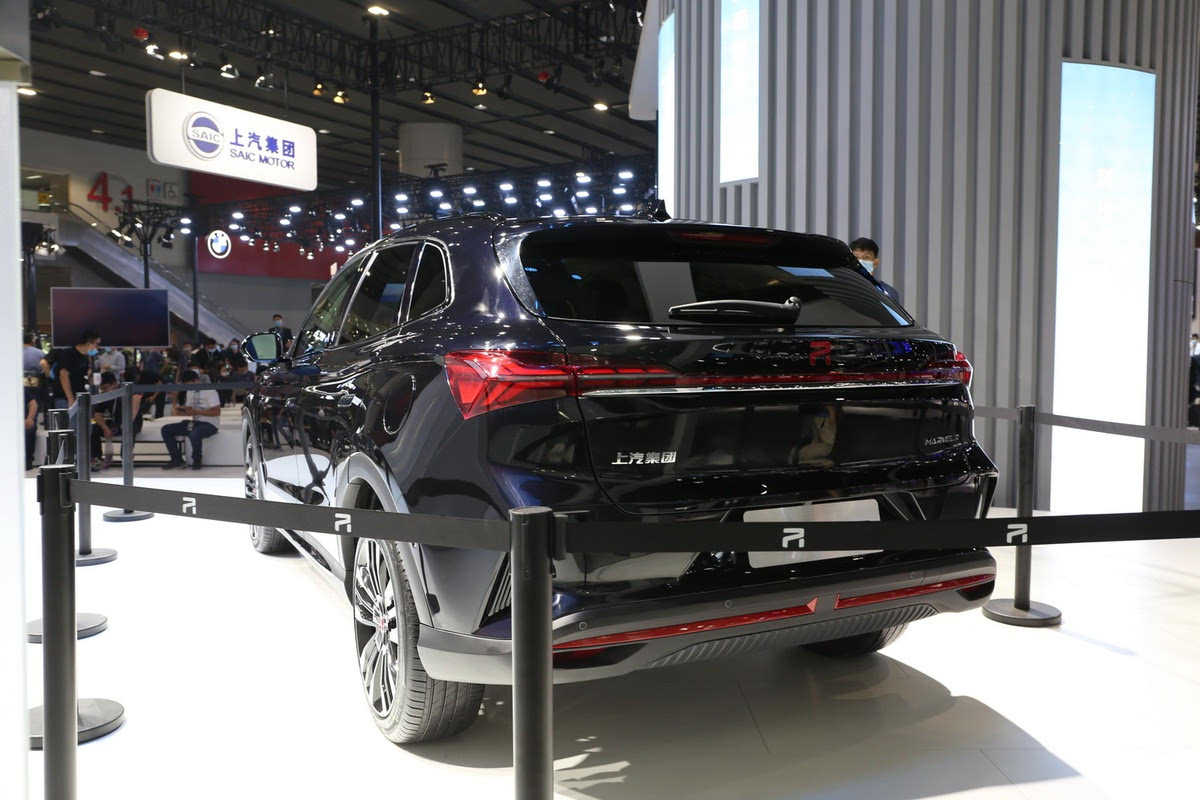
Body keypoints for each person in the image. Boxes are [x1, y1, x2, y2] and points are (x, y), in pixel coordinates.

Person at [161, 370, 221, 470]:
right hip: (195, 422)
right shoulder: (190, 391)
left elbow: (216, 412)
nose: (187, 387)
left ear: (196, 381)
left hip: (210, 424)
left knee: (194, 432)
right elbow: (189, 409)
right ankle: (176, 460)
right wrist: (181, 409)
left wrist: (196, 412)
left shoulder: (210, 391)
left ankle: (197, 460)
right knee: (166, 429)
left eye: (188, 384)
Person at [90, 370, 143, 470]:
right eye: (102, 388)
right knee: (94, 428)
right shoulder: (106, 395)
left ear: (114, 384)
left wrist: (126, 422)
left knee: (129, 427)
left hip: (133, 421)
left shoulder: (127, 391)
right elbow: (97, 415)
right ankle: (96, 458)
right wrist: (105, 428)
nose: (104, 390)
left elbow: (134, 407)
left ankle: (126, 457)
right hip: (116, 422)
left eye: (106, 387)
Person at [50, 329, 100, 416]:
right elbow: (63, 376)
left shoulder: (85, 358)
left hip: (78, 397)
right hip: (65, 398)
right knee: (67, 423)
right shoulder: (67, 354)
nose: (98, 347)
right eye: (97, 344)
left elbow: (80, 376)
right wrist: (70, 398)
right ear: (88, 343)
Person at [849, 237, 900, 304]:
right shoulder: (843, 287)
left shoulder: (889, 292)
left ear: (875, 262)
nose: (860, 261)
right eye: (856, 257)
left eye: (866, 257)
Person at [23, 369, 39, 471]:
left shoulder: (20, 389)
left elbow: (33, 404)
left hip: (23, 420)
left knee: (29, 429)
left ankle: (28, 460)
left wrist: (29, 418)